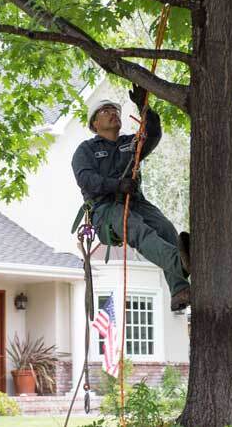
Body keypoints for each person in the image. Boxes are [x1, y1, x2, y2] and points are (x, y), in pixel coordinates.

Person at [71, 85, 191, 311]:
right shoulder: (85, 150)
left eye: (114, 110)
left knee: (165, 228)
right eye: (105, 111)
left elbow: (153, 134)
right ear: (94, 124)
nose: (112, 113)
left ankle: (179, 290)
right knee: (136, 227)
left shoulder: (130, 143)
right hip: (105, 208)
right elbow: (87, 180)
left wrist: (145, 107)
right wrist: (117, 184)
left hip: (136, 201)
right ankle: (179, 263)